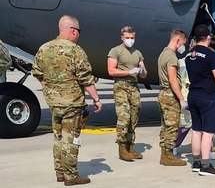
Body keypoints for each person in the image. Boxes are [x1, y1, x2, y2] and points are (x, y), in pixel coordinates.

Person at [32, 15, 102, 186]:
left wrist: (50, 88)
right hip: (72, 103)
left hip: (53, 103)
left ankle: (60, 173)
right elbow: (85, 78)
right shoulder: (75, 51)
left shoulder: (44, 48)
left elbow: (37, 72)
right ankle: (71, 176)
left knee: (58, 138)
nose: (78, 34)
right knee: (71, 139)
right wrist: (96, 98)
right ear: (72, 30)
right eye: (78, 31)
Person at [186, 25, 215, 176]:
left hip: (193, 95)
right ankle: (206, 166)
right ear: (208, 38)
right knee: (208, 132)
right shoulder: (211, 56)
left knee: (196, 130)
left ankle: (196, 162)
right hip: (208, 96)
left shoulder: (189, 55)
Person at [107, 25, 147, 161]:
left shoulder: (138, 53)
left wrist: (141, 71)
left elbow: (144, 75)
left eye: (132, 38)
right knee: (124, 116)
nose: (130, 40)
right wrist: (128, 72)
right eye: (127, 38)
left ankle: (130, 146)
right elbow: (111, 71)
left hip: (134, 87)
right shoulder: (115, 51)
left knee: (133, 117)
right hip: (121, 85)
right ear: (122, 38)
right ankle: (122, 147)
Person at [157, 29, 188, 166]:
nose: (183, 46)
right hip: (170, 95)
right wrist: (181, 98)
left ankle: (164, 154)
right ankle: (168, 156)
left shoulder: (163, 54)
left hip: (164, 93)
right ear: (177, 40)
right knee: (172, 127)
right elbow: (173, 80)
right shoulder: (171, 57)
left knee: (165, 126)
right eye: (183, 43)